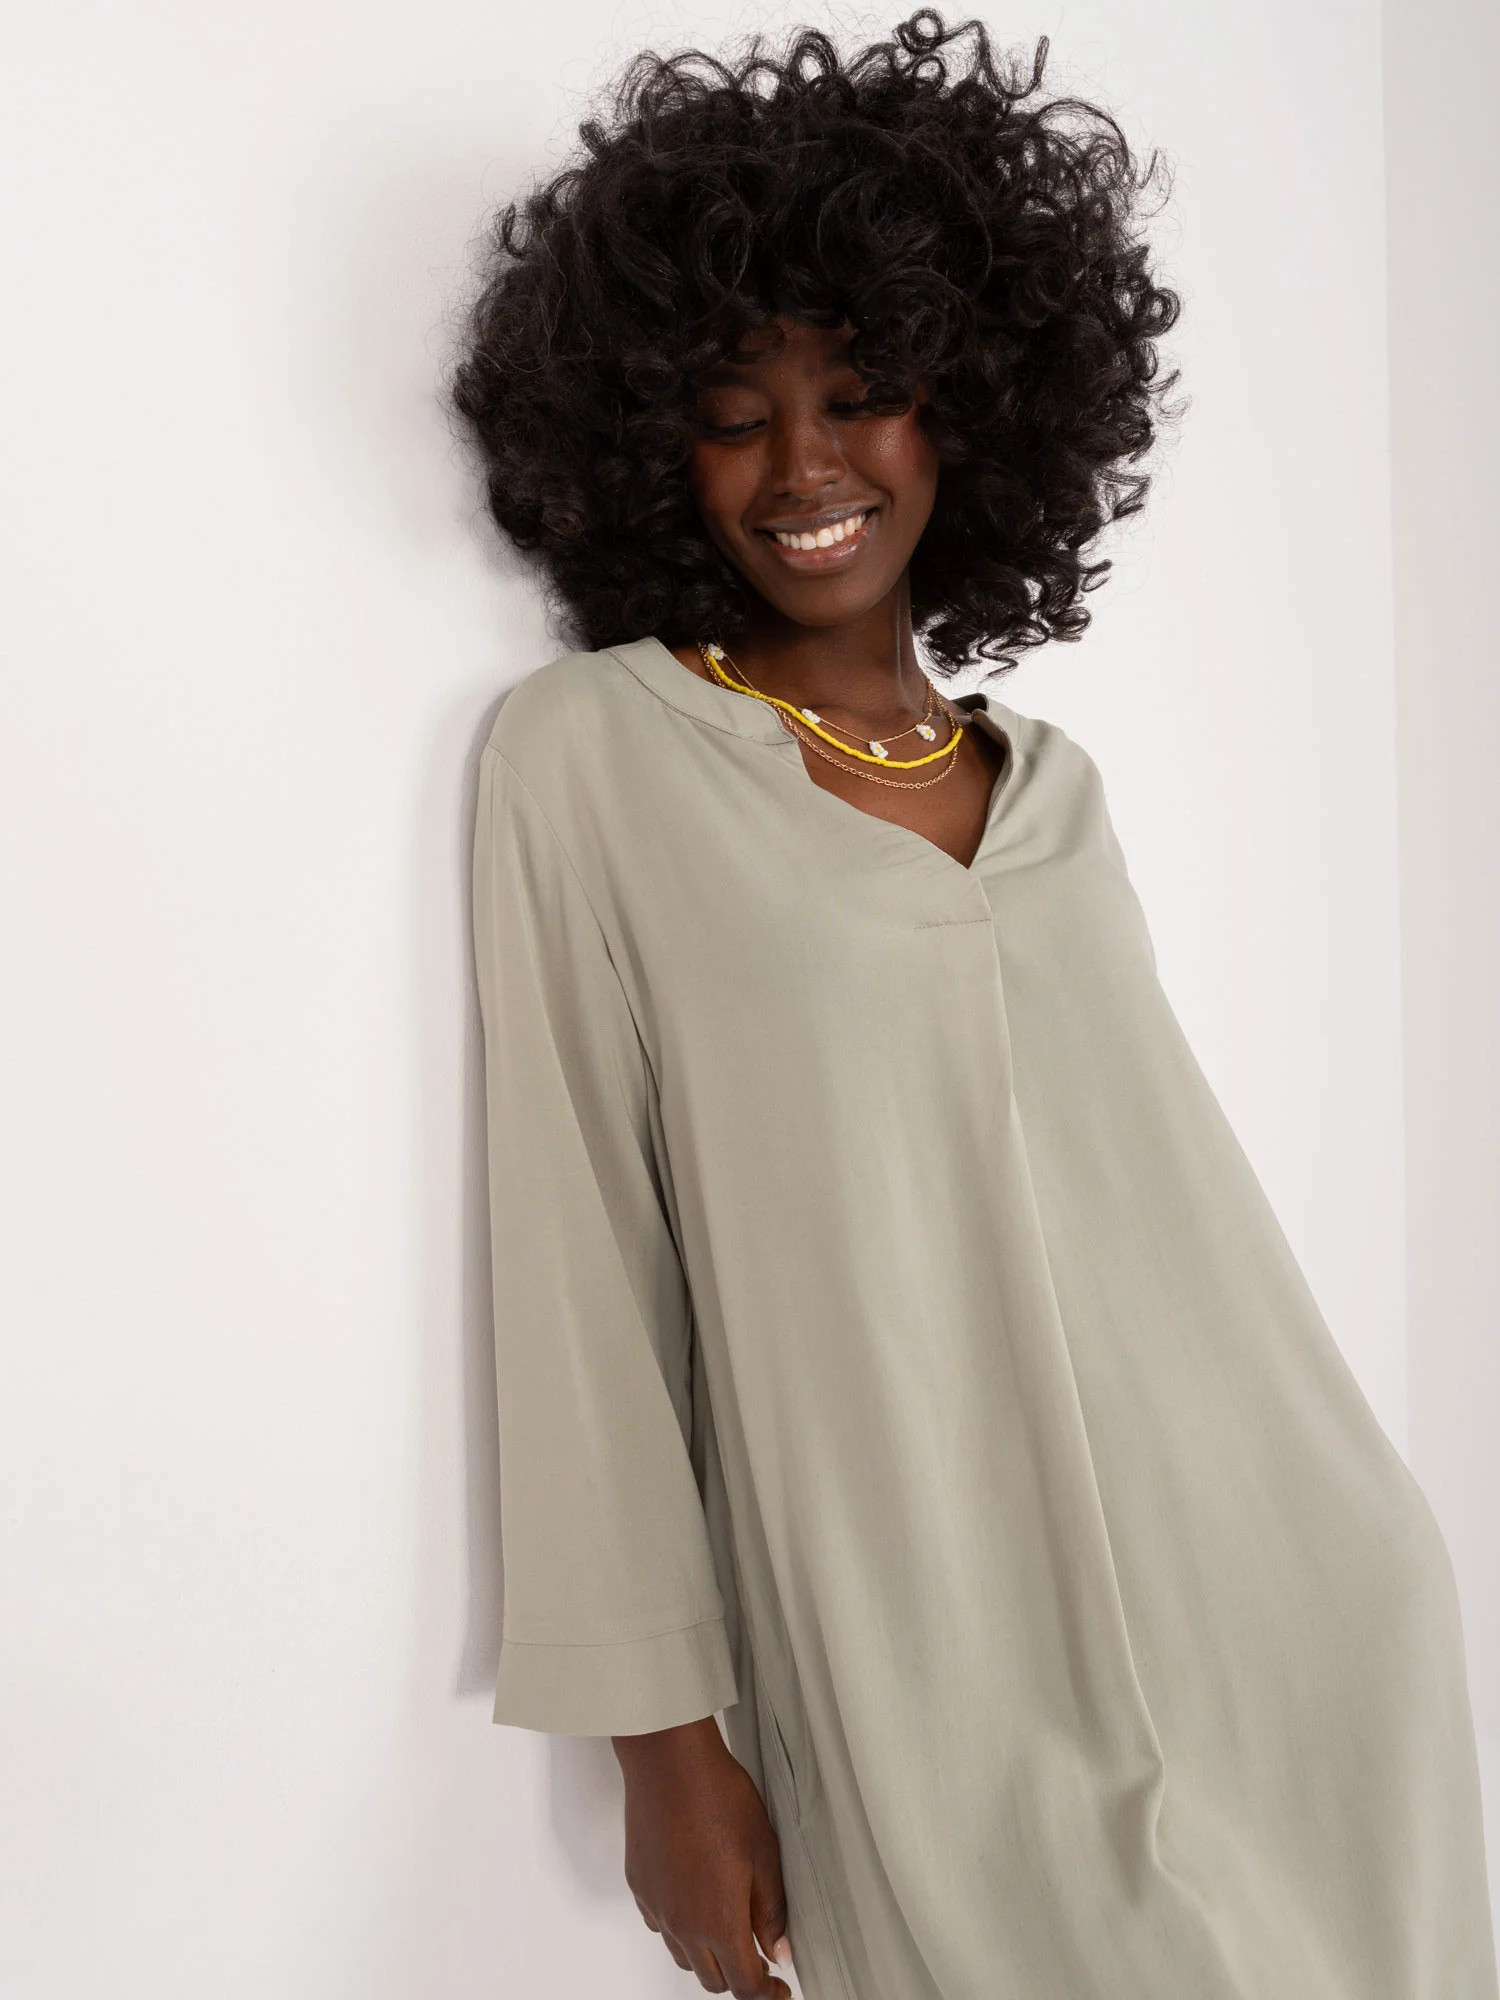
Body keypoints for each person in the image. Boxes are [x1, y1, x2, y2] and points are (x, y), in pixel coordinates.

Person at [452, 13, 1498, 1999]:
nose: (807, 468)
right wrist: (664, 1745)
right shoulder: (592, 757)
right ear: (646, 439)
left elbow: (1174, 1216)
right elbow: (580, 1257)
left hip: (1282, 1593)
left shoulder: (1059, 793)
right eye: (735, 414)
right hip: (919, 1635)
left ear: (973, 411)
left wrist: (1375, 1546)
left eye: (865, 397)